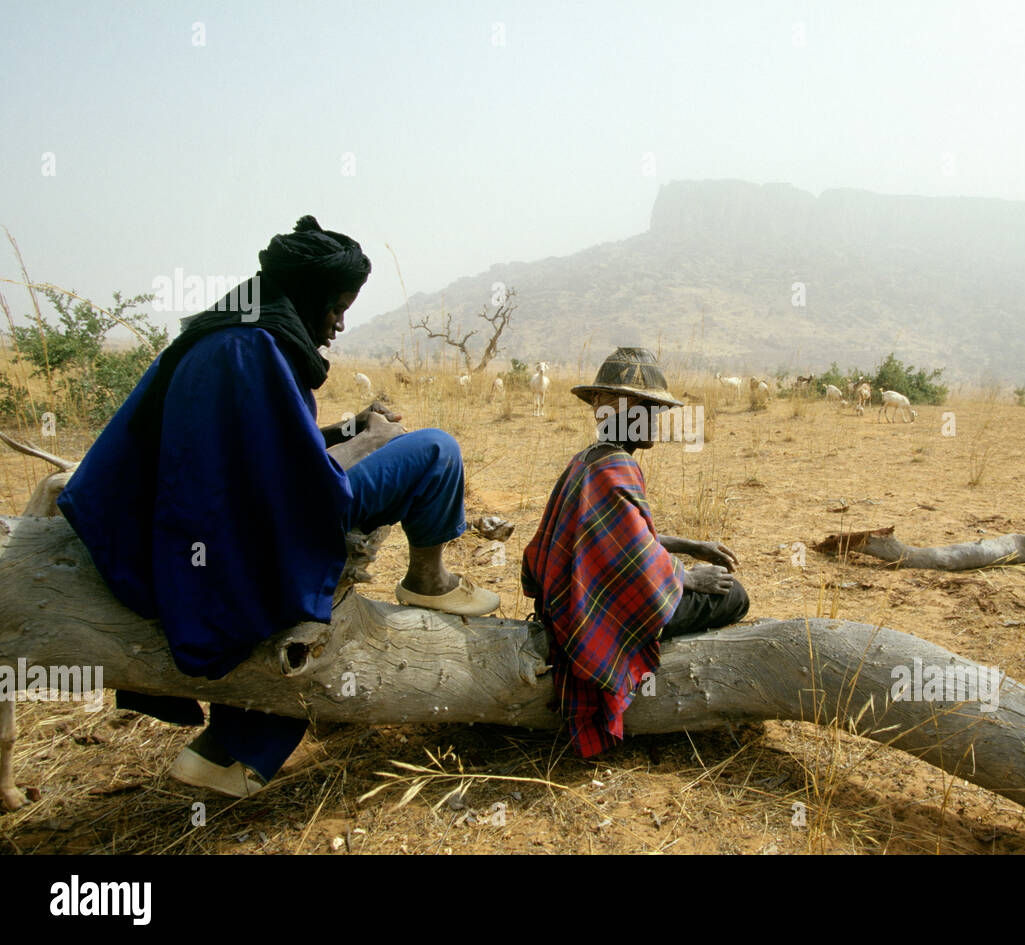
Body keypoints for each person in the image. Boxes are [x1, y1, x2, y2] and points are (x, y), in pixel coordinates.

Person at [56, 215, 498, 797]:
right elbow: (295, 483)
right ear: (308, 295)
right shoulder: (253, 350)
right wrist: (374, 440)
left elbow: (269, 447)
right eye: (337, 305)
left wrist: (349, 426)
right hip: (243, 535)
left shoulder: (230, 335)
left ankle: (223, 752)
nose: (341, 322)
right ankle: (428, 579)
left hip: (190, 532)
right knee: (438, 449)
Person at [521, 347, 749, 758]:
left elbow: (622, 542)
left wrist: (691, 546)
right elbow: (636, 560)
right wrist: (687, 576)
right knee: (734, 596)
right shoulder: (619, 468)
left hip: (567, 602)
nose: (658, 422)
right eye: (652, 411)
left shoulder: (588, 459)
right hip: (594, 611)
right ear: (628, 413)